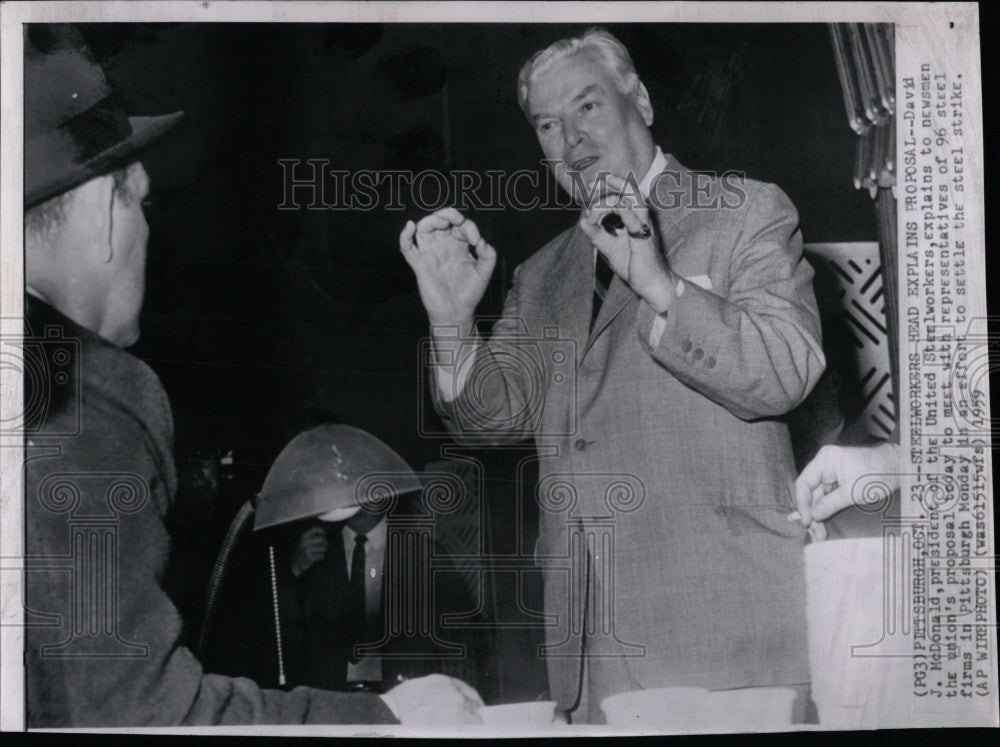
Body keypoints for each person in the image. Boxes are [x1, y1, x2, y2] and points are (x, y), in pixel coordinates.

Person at [22, 24, 481, 727]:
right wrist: (392, 720)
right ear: (101, 212)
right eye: (140, 204)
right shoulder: (81, 390)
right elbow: (144, 714)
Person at [400, 28, 826, 723]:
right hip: (592, 652)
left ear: (643, 102)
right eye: (546, 124)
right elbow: (490, 417)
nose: (569, 140)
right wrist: (451, 321)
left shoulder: (744, 211)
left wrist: (660, 284)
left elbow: (785, 368)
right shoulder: (542, 274)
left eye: (587, 108)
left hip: (730, 641)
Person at [211, 425, 487, 696]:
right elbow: (271, 645)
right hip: (329, 701)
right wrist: (292, 575)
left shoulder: (424, 554)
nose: (353, 488)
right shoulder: (311, 553)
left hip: (404, 699)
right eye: (344, 480)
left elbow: (462, 639)